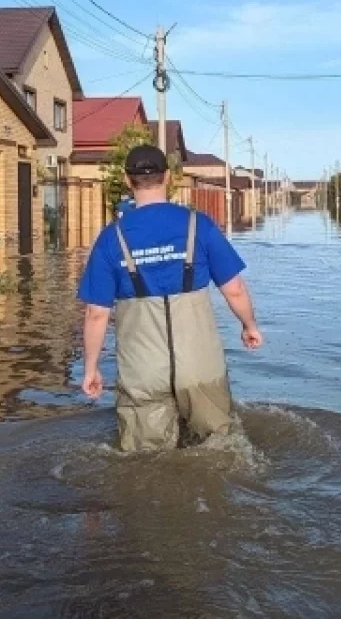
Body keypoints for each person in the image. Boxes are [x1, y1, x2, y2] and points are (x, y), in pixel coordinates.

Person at [77, 144, 263, 451]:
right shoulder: (198, 224)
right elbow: (234, 288)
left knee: (144, 460)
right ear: (168, 178)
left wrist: (91, 367)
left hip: (142, 369)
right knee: (221, 448)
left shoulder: (112, 237)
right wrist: (249, 326)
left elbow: (96, 313)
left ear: (127, 179)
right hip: (200, 366)